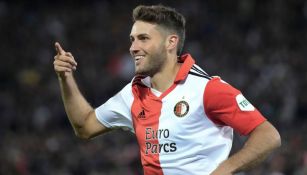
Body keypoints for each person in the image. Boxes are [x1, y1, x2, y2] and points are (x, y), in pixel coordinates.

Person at [53, 4, 281, 175]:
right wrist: (66, 78)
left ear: (171, 42)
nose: (133, 48)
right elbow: (84, 126)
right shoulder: (133, 93)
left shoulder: (207, 89)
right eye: (132, 39)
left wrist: (224, 170)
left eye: (143, 38)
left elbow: (268, 135)